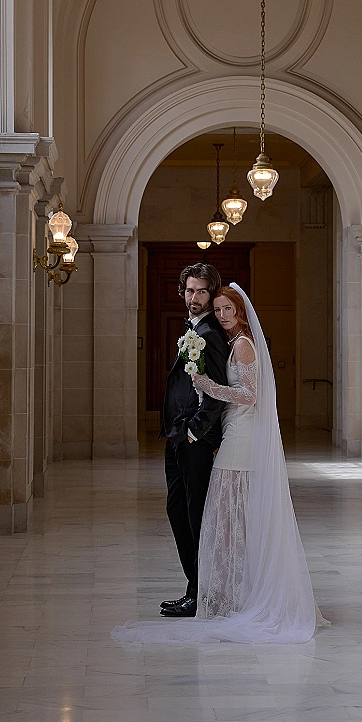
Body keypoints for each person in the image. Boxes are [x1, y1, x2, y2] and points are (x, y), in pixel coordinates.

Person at [112, 283, 324, 643]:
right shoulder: (230, 342)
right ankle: (230, 592)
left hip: (242, 436)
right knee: (227, 515)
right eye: (220, 310)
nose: (223, 316)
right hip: (232, 432)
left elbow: (251, 396)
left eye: (228, 309)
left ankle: (229, 595)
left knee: (225, 515)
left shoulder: (242, 344)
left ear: (240, 311)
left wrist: (206, 387)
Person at [158, 263, 229, 618]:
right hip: (176, 438)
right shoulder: (192, 329)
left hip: (193, 441)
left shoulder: (211, 334)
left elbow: (216, 392)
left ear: (211, 294)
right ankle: (194, 588)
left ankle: (200, 593)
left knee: (195, 515)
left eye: (201, 291)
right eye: (189, 290)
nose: (194, 297)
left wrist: (193, 431)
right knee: (178, 510)